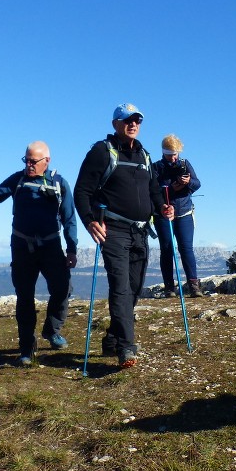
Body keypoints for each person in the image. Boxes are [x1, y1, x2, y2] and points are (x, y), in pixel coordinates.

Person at [0, 142, 78, 366]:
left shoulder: (59, 183)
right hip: (22, 247)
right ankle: (26, 348)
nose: (29, 165)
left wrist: (72, 248)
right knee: (24, 297)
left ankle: (52, 330)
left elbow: (69, 218)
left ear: (47, 161)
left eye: (33, 161)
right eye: (26, 160)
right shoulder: (18, 180)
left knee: (63, 289)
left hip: (51, 246)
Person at [74, 103, 174, 368]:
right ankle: (127, 348)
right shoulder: (101, 152)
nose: (133, 124)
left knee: (134, 289)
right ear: (115, 124)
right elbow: (81, 191)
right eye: (127, 120)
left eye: (137, 120)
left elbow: (153, 191)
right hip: (114, 230)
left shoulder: (145, 156)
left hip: (141, 232)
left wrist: (162, 208)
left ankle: (112, 338)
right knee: (121, 287)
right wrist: (90, 221)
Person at [152, 134, 203, 298]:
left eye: (176, 154)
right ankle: (169, 287)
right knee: (166, 249)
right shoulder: (156, 168)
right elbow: (153, 192)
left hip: (184, 212)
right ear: (163, 152)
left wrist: (187, 183)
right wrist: (172, 188)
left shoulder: (185, 164)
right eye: (170, 155)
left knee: (186, 248)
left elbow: (197, 184)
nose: (173, 158)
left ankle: (194, 285)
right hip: (163, 214)